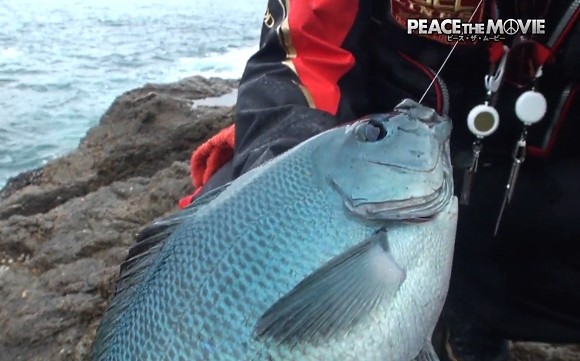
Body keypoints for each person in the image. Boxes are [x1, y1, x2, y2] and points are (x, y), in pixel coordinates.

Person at [179, 1, 580, 360]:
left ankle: (471, 319)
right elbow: (302, 50)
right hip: (373, 171)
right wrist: (290, 172)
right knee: (223, 238)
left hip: (532, 188)